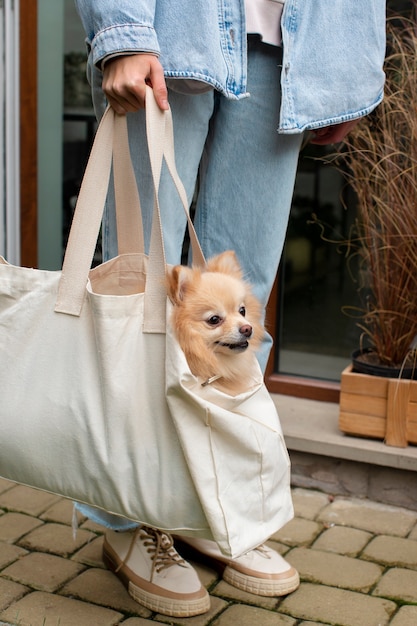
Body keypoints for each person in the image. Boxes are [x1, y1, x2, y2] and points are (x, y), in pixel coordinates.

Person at [74, 0, 386, 618]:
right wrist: (123, 28)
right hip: (173, 30)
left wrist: (341, 72)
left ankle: (206, 507)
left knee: (241, 314)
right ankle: (127, 518)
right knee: (137, 305)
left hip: (283, 46)